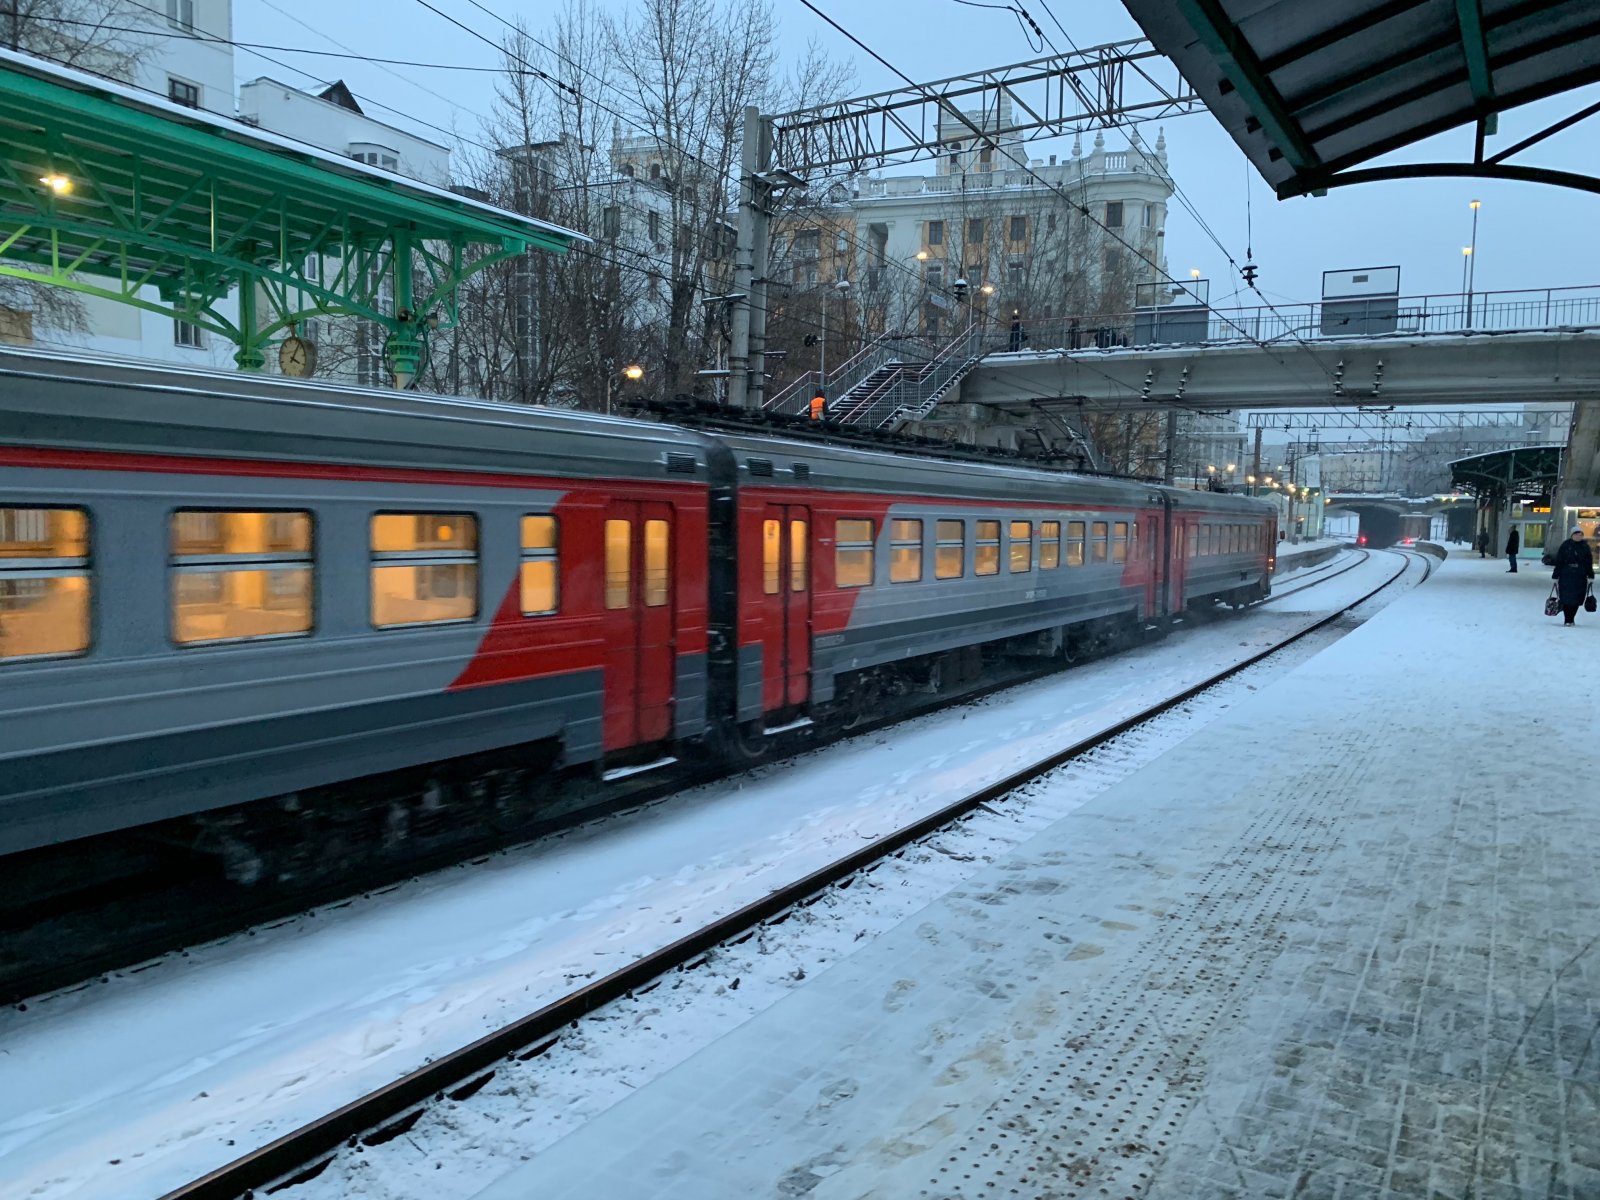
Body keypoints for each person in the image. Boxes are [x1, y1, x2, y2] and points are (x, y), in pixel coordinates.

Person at [1551, 527, 1595, 626]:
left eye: (1580, 534)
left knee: (1577, 598)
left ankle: (1571, 618)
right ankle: (1568, 619)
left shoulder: (1585, 546)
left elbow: (1588, 562)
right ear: (1572, 535)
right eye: (1576, 534)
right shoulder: (1565, 546)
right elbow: (1560, 561)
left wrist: (1590, 574)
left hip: (1580, 575)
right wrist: (1555, 575)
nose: (1578, 536)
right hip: (1566, 575)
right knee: (1566, 597)